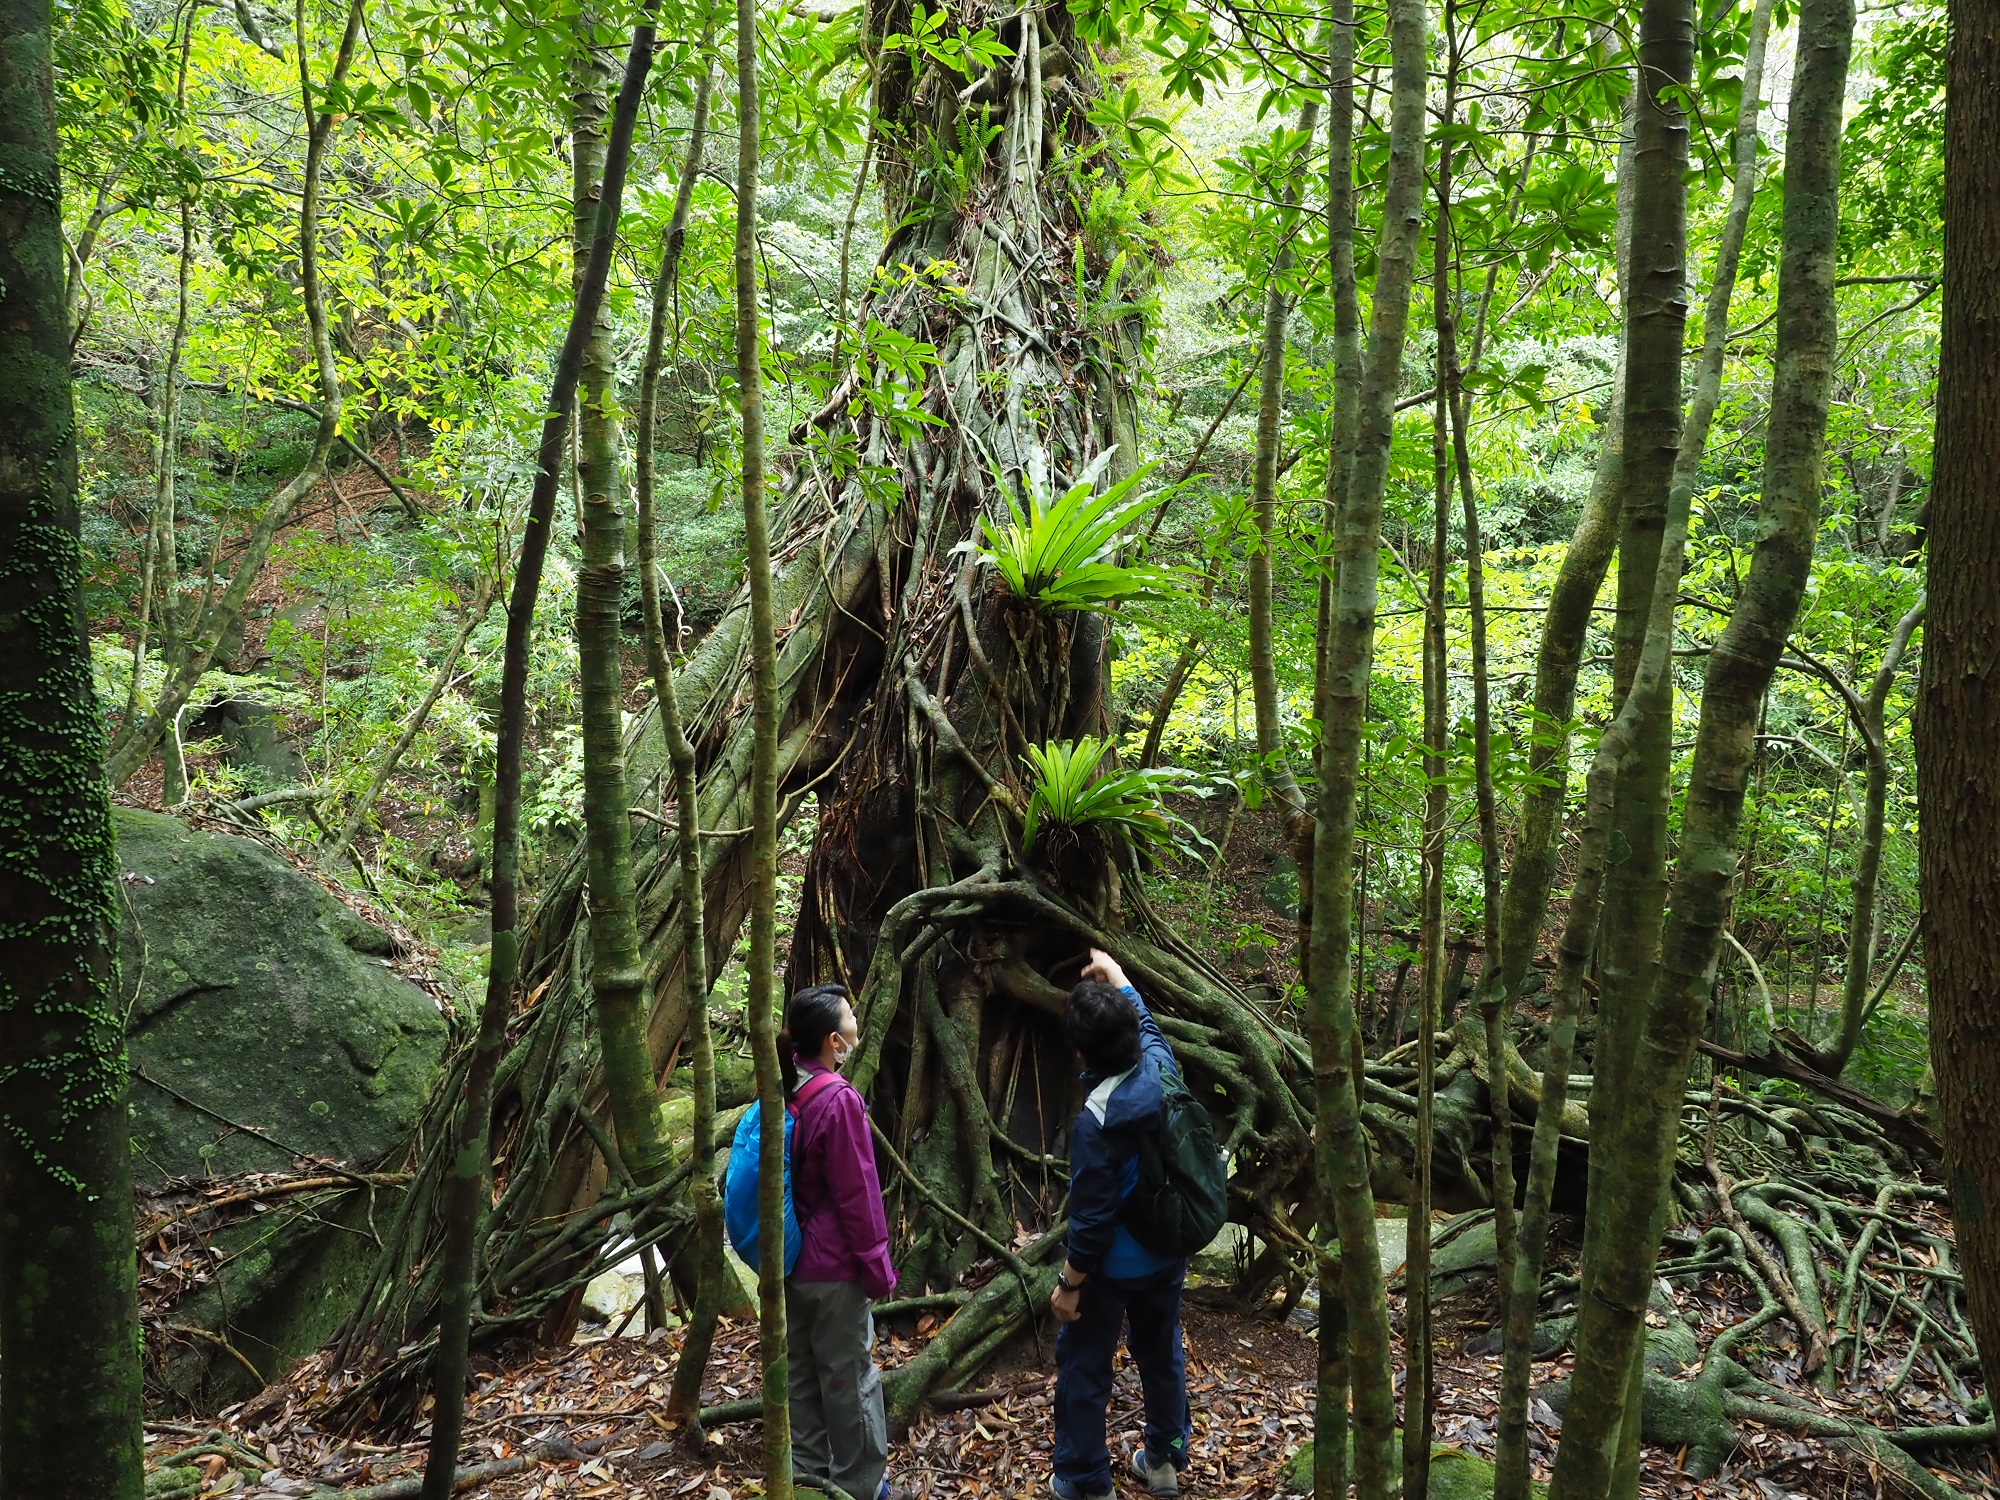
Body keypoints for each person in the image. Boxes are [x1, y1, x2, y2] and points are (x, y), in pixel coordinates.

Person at [1048, 949, 1192, 1500]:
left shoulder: (1096, 1121)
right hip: (1166, 1254)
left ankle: (1086, 1481)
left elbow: (1091, 1221)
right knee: (1161, 1354)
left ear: (1082, 1051)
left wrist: (1069, 1286)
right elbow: (1149, 1026)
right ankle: (1162, 1461)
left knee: (1084, 1368)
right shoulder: (1162, 1066)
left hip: (1110, 1270)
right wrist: (1121, 979)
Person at [781, 983, 907, 1500]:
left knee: (802, 1372)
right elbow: (859, 1193)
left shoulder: (789, 1087)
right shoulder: (839, 1100)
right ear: (835, 1040)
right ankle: (860, 1486)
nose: (858, 1020)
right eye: (851, 1016)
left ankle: (807, 1478)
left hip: (792, 1259)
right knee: (851, 1376)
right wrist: (878, 1267)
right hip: (834, 1267)